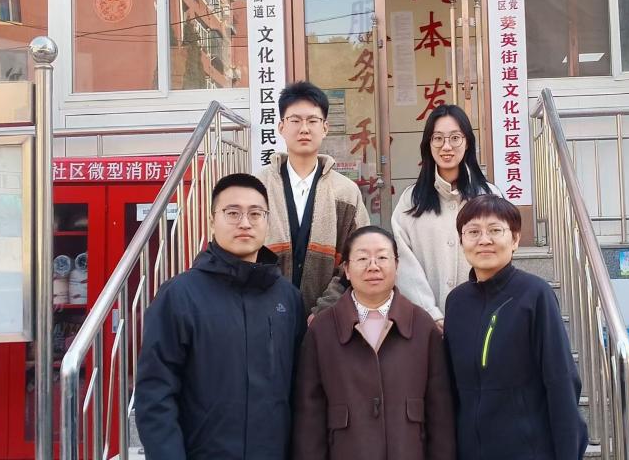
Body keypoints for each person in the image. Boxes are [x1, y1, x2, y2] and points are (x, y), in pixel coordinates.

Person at [135, 173, 305, 459]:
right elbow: (155, 394)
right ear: (212, 220)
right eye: (233, 213)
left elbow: (299, 390)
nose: (245, 223)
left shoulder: (287, 298)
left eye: (255, 213)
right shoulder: (180, 296)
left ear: (267, 221)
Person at [443, 195, 587, 460]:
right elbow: (451, 388)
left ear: (515, 239)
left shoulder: (535, 294)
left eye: (495, 230)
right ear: (461, 241)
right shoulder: (456, 302)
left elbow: (561, 381)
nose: (484, 240)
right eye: (473, 232)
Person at [293, 225, 456, 459]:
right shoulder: (322, 329)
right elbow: (309, 415)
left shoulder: (422, 325)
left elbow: (440, 412)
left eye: (382, 257)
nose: (373, 266)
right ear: (346, 270)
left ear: (397, 266)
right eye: (362, 258)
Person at [257, 81, 370, 318]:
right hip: (264, 317)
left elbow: (358, 257)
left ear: (325, 127)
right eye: (295, 120)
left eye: (312, 120)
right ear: (281, 127)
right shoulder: (259, 188)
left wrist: (325, 311)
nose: (304, 128)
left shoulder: (346, 193)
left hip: (327, 321)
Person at [393, 104, 496, 326]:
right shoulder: (411, 200)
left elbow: (499, 257)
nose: (446, 146)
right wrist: (431, 313)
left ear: (467, 142)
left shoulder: (489, 196)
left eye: (455, 138)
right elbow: (403, 262)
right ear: (428, 144)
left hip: (481, 320)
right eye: (438, 138)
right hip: (425, 324)